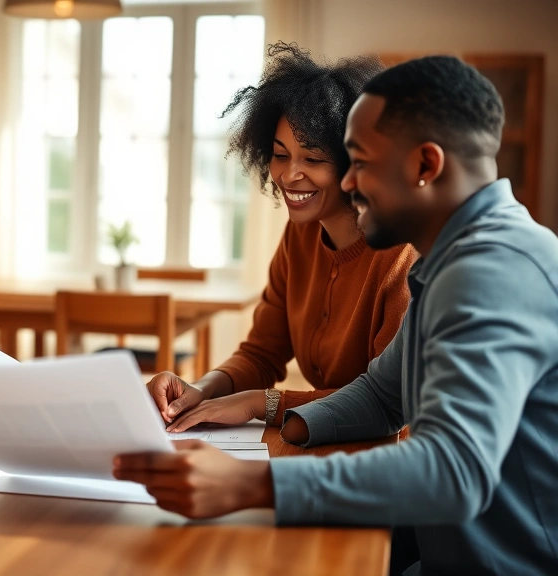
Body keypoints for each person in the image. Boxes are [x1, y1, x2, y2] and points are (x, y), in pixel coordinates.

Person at [115, 55, 558, 575]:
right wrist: (260, 419)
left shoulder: (496, 271)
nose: (349, 185)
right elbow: (380, 395)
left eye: (361, 163)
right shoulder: (456, 260)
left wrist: (253, 484)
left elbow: (453, 470)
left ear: (425, 166)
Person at [149, 43, 416, 432]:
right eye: (279, 154)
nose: (290, 175)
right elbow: (261, 355)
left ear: (355, 163)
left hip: (389, 462)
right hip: (324, 445)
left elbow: (386, 403)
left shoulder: (401, 256)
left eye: (313, 159)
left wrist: (259, 403)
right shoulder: (299, 236)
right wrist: (199, 390)